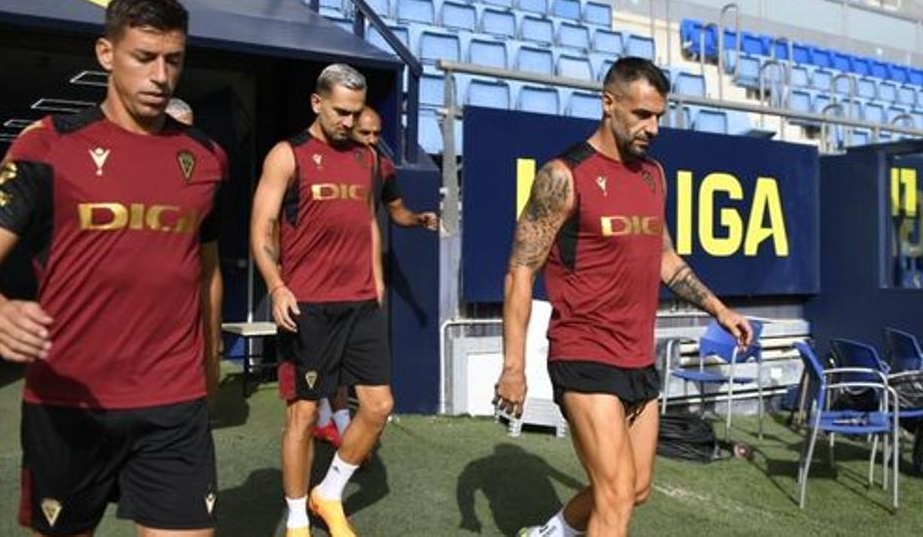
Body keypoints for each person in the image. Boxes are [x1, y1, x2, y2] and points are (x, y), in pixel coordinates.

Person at [0, 0, 226, 536]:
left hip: (173, 399)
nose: (161, 76)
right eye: (143, 57)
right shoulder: (46, 146)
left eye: (173, 59)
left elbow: (206, 270)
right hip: (69, 399)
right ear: (106, 54)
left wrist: (210, 363)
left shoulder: (208, 158)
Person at [493, 57, 753, 537]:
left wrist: (719, 309)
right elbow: (520, 271)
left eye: (658, 116)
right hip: (584, 352)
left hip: (636, 356)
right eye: (641, 115)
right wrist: (514, 366)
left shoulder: (653, 174)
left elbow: (665, 259)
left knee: (635, 489)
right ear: (608, 104)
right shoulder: (563, 175)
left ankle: (552, 533)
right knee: (614, 498)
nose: (653, 127)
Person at [250, 65, 392, 537]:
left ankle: (327, 493)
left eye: (355, 113)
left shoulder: (367, 159)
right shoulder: (287, 155)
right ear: (316, 103)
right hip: (307, 306)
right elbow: (263, 226)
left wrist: (375, 278)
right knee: (305, 414)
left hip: (360, 304)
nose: (349, 123)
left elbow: (369, 220)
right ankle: (295, 520)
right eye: (340, 112)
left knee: (377, 406)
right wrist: (276, 285)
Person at [308, 106, 439, 448]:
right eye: (364, 133)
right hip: (314, 288)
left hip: (359, 288)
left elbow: (395, 211)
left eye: (377, 134)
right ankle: (328, 423)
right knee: (318, 379)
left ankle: (337, 427)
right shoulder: (308, 158)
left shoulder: (379, 165)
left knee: (365, 384)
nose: (371, 140)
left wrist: (417, 219)